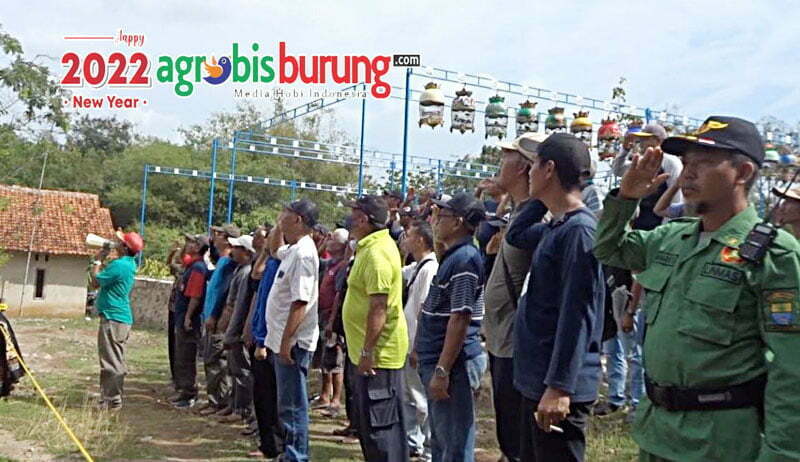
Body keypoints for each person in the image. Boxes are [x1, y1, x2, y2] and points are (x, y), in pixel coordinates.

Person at [594, 116, 800, 462]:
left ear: (744, 173)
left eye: (703, 163)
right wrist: (626, 197)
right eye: (687, 163)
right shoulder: (672, 237)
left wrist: (782, 454)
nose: (687, 174)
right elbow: (608, 249)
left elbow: (791, 371)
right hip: (656, 432)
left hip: (718, 443)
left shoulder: (774, 254)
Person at [505, 133, 605, 462]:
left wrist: (560, 386)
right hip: (537, 381)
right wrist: (543, 197)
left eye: (533, 166)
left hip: (557, 389)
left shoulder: (579, 231)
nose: (527, 173)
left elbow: (577, 315)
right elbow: (517, 234)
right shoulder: (557, 225)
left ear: (548, 169)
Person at [485, 132, 547, 462]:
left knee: (519, 436)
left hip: (516, 343)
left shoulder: (539, 215)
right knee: (508, 431)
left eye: (507, 157)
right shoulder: (522, 212)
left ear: (524, 167)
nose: (500, 163)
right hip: (501, 338)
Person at [415, 192, 486, 462]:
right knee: (442, 441)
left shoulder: (465, 260)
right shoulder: (453, 256)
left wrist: (442, 369)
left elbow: (460, 317)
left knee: (454, 444)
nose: (434, 221)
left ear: (457, 223)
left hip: (454, 365)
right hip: (439, 360)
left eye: (441, 216)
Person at [342, 195, 409, 462]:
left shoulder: (378, 253)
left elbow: (379, 307)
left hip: (378, 357)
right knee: (371, 431)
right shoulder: (369, 247)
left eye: (353, 213)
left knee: (383, 432)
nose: (349, 219)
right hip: (366, 354)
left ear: (363, 219)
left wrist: (369, 351)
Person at [266, 199, 321, 462]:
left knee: (293, 405)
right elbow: (274, 249)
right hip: (282, 339)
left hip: (294, 342)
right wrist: (278, 226)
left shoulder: (304, 253)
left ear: (298, 219)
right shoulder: (294, 249)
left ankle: (297, 456)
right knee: (285, 404)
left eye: (286, 212)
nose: (281, 215)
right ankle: (291, 454)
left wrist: (287, 341)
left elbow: (301, 301)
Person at [90, 230, 144, 410]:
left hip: (114, 318)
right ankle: (112, 397)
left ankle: (112, 399)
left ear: (124, 247)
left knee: (111, 361)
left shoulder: (120, 265)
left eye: (120, 242)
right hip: (119, 318)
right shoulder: (128, 264)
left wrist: (98, 260)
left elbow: (95, 281)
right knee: (115, 358)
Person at [401, 220, 439, 461]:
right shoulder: (417, 266)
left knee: (420, 398)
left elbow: (425, 309)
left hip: (417, 343)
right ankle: (412, 442)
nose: (405, 238)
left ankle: (426, 447)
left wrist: (418, 346)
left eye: (409, 235)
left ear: (421, 240)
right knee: (408, 395)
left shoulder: (429, 269)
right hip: (408, 340)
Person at [250, 227, 284, 459]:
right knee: (261, 395)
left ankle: (274, 445)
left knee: (270, 395)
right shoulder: (271, 262)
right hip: (261, 333)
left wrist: (262, 341)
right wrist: (264, 251)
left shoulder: (283, 263)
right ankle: (266, 443)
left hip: (271, 339)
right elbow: (256, 273)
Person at [198, 223, 240, 416]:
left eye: (218, 234)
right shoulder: (221, 262)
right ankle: (213, 399)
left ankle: (219, 400)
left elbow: (224, 293)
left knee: (216, 360)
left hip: (216, 320)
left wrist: (214, 315)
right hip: (209, 317)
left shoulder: (228, 264)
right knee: (210, 360)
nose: (214, 237)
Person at [612, 123, 683, 230]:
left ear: (657, 140)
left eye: (644, 139)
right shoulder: (643, 160)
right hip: (638, 222)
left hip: (659, 225)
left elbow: (676, 196)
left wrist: (666, 230)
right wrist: (625, 150)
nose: (641, 144)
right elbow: (618, 170)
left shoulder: (671, 161)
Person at [170, 234, 210, 409]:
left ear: (198, 247)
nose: (188, 244)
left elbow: (195, 295)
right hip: (181, 316)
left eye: (192, 242)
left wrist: (187, 317)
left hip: (189, 320)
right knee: (180, 355)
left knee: (186, 356)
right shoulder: (191, 265)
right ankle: (183, 391)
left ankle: (189, 393)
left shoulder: (198, 268)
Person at [219, 234, 256, 422]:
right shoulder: (241, 270)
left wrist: (232, 331)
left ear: (247, 252)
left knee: (241, 370)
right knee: (233, 369)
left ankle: (241, 409)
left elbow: (239, 305)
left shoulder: (245, 273)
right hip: (236, 328)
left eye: (238, 248)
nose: (233, 251)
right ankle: (233, 404)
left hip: (240, 330)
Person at [313, 228, 350, 414]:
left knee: (335, 359)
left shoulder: (342, 266)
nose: (329, 242)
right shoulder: (330, 264)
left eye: (333, 240)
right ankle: (324, 395)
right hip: (322, 315)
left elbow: (338, 295)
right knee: (325, 359)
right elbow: (315, 259)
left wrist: (332, 321)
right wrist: (322, 243)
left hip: (331, 317)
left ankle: (335, 400)